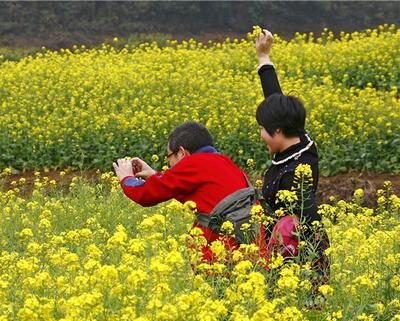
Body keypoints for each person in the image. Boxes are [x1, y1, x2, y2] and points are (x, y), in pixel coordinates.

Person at [255, 29, 330, 301]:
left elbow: (309, 225)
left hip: (292, 257)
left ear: (277, 131)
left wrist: (316, 287)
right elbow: (275, 100)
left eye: (263, 129)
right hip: (276, 248)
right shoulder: (298, 137)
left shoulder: (296, 174)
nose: (260, 134)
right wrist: (264, 57)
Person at [112, 121, 255, 262]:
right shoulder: (224, 161)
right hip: (252, 252)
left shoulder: (193, 163)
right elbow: (185, 185)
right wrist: (154, 175)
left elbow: (145, 194)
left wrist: (126, 178)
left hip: (223, 257)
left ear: (181, 152)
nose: (169, 164)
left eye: (169, 157)